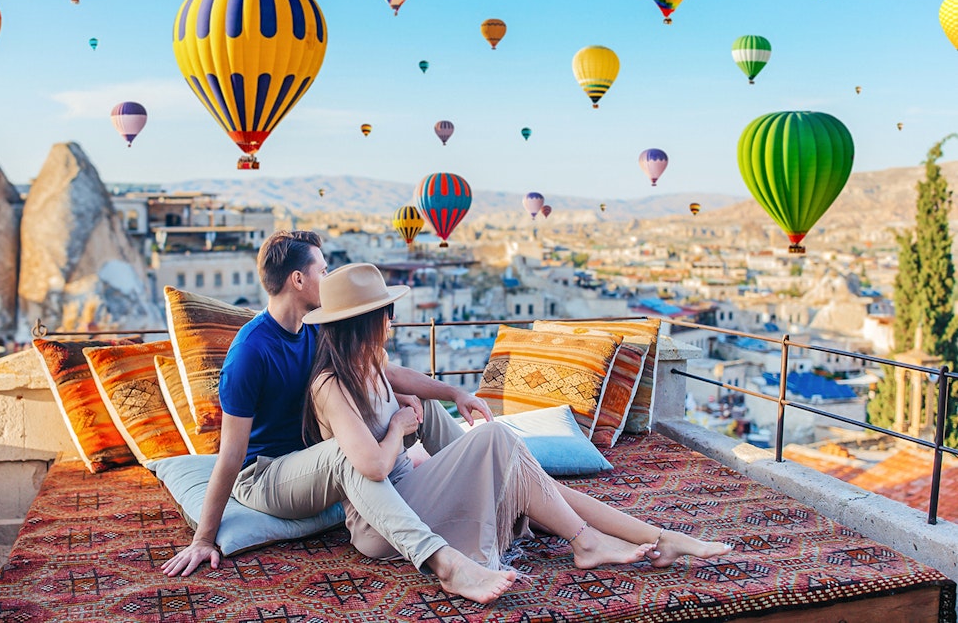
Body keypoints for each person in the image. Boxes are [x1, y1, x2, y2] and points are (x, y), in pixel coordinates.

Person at [301, 263, 732, 586]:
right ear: (366, 322)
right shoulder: (330, 385)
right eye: (385, 313)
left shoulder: (367, 360)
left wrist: (455, 394)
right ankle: (587, 541)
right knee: (496, 439)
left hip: (413, 492)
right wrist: (397, 426)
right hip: (384, 524)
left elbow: (398, 377)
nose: (391, 321)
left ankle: (658, 536)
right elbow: (372, 468)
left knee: (530, 476)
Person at [162, 231, 517, 604]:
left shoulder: (316, 327)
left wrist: (454, 392)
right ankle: (445, 564)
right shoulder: (250, 353)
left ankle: (504, 485)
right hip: (266, 475)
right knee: (346, 453)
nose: (329, 279)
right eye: (324, 270)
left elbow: (386, 369)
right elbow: (232, 454)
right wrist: (203, 539)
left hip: (314, 461)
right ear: (297, 280)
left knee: (410, 405)